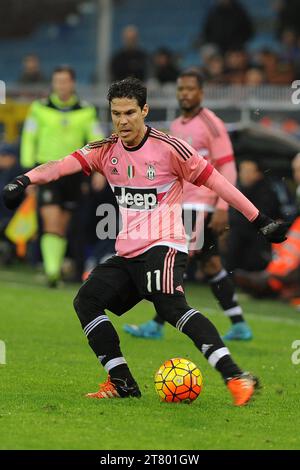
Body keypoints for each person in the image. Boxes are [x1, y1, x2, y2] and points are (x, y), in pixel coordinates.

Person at [3, 77, 289, 405]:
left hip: (165, 244)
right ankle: (121, 381)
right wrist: (24, 179)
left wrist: (259, 219)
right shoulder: (105, 150)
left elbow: (218, 182)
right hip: (128, 252)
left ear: (145, 111)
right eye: (116, 113)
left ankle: (236, 377)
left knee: (169, 304)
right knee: (86, 301)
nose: (122, 121)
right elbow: (61, 165)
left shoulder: (170, 149)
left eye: (129, 113)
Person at [124, 70, 253, 341]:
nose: (184, 94)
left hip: (202, 205)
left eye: (190, 89)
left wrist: (221, 207)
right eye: (181, 89)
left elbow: (228, 169)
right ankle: (239, 323)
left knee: (177, 261)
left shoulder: (212, 124)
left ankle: (157, 324)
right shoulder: (179, 125)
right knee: (210, 265)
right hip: (183, 203)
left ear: (201, 93)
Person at [20, 65, 104, 286]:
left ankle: (54, 268)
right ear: (53, 83)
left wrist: (98, 170)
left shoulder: (85, 110)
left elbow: (95, 140)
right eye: (57, 81)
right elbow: (29, 138)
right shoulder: (39, 108)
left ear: (72, 83)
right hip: (46, 171)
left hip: (74, 172)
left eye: (65, 81)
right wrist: (28, 172)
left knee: (62, 225)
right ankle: (52, 272)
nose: (61, 85)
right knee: (51, 221)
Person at [226, 159, 281, 273]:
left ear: (258, 174)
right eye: (242, 170)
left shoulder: (267, 192)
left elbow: (265, 217)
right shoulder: (237, 189)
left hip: (257, 241)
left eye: (248, 171)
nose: (243, 174)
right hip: (239, 240)